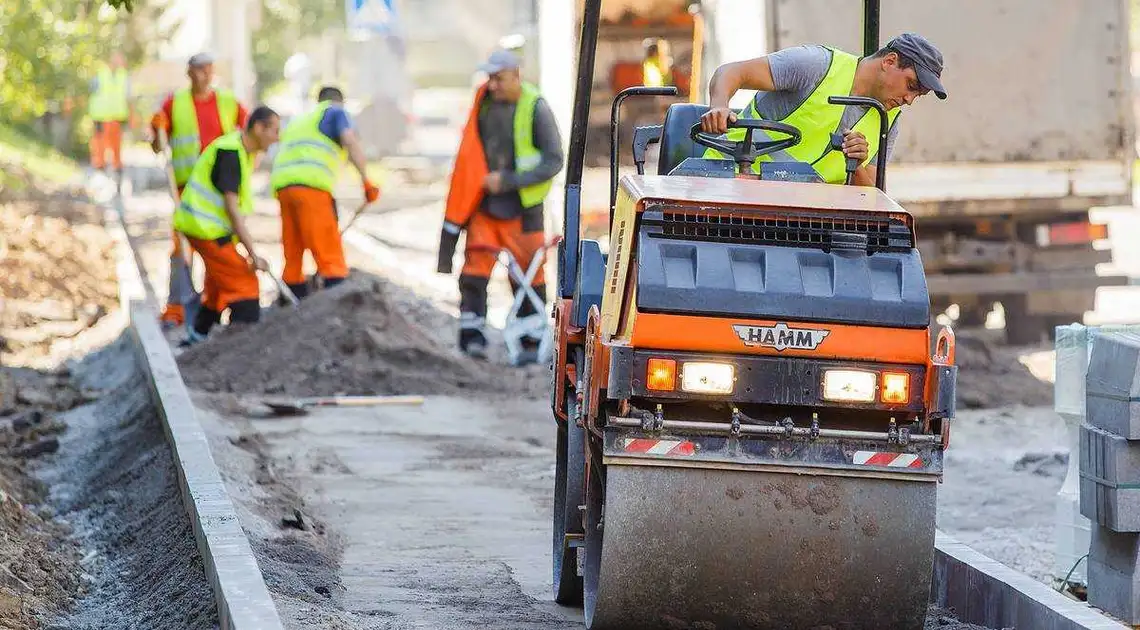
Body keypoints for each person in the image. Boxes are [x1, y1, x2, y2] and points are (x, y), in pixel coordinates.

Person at [437, 49, 564, 362]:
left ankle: (531, 342)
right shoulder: (483, 105)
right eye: (489, 78)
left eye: (499, 78)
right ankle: (472, 338)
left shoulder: (536, 108)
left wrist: (506, 180)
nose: (492, 85)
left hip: (523, 209)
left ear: (516, 75)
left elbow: (554, 161)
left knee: (529, 278)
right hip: (485, 207)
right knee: (474, 273)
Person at [698, 32, 947, 186]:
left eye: (919, 94)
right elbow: (732, 72)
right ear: (889, 61)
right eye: (911, 86)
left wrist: (857, 164)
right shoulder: (815, 66)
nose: (909, 99)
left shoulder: (887, 121)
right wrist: (719, 107)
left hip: (803, 219)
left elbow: (871, 196)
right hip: (728, 184)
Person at [150, 52, 250, 329]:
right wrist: (156, 129)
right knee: (182, 246)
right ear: (189, 73)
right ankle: (178, 304)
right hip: (187, 191)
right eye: (199, 70)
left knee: (219, 246)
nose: (204, 75)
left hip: (219, 191)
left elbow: (251, 134)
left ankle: (214, 302)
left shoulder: (228, 102)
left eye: (208, 70)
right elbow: (158, 145)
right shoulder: (176, 103)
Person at [171, 106, 280, 346]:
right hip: (205, 229)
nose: (277, 137)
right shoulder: (231, 153)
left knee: (219, 283)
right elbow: (232, 209)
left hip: (204, 227)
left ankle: (197, 336)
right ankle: (243, 348)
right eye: (274, 130)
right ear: (259, 128)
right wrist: (252, 254)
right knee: (244, 283)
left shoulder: (238, 150)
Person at [269, 85, 381, 298]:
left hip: (284, 187)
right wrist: (366, 181)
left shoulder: (301, 120)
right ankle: (336, 298)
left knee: (293, 252)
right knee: (329, 253)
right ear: (339, 101)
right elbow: (350, 141)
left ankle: (292, 302)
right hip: (311, 187)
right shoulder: (336, 112)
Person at [88, 51, 133, 179]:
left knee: (116, 147)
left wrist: (131, 117)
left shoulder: (124, 76)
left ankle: (117, 171)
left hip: (117, 118)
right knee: (99, 147)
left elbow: (128, 98)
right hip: (100, 118)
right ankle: (99, 171)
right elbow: (91, 92)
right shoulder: (100, 74)